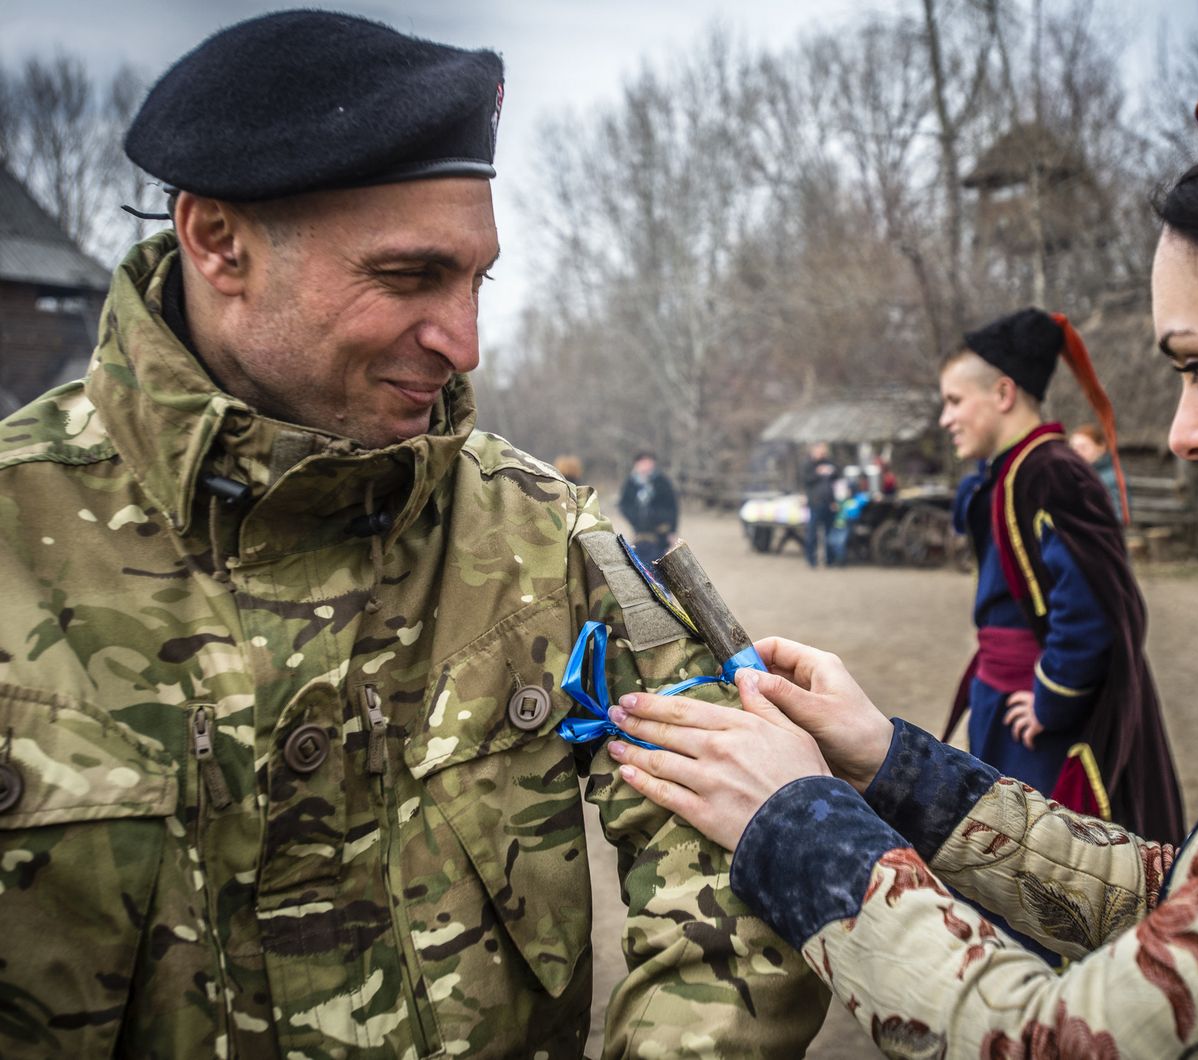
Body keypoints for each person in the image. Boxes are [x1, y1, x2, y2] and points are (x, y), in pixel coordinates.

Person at [602, 30, 1198, 1054]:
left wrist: (798, 820)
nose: (1182, 430)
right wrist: (889, 762)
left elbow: (1072, 1037)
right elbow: (1191, 905)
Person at [0, 12, 824, 1058]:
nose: (463, 342)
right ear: (218, 241)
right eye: (408, 277)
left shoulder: (539, 533)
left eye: (477, 280)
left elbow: (735, 849)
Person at [939, 309, 1182, 842]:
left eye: (955, 401)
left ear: (1003, 394)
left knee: (1047, 862)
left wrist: (1053, 697)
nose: (945, 418)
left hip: (1040, 719)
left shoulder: (1053, 474)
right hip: (999, 698)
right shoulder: (1009, 471)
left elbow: (1093, 607)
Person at [616, 449, 679, 565]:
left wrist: (672, 530)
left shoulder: (662, 482)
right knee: (641, 566)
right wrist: (635, 518)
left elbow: (672, 507)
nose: (645, 465)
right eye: (642, 462)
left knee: (659, 565)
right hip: (640, 533)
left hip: (660, 533)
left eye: (648, 462)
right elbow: (623, 505)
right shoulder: (631, 483)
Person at [1069, 422, 1124, 520]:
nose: (1077, 453)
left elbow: (1118, 516)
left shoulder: (1113, 479)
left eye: (1083, 447)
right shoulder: (1075, 474)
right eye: (1074, 449)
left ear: (1101, 447)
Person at [802, 441, 839, 567]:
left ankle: (830, 560)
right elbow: (806, 480)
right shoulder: (808, 464)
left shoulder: (828, 463)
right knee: (813, 533)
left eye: (824, 451)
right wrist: (818, 472)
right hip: (815, 503)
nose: (822, 454)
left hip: (829, 502)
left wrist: (830, 470)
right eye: (820, 451)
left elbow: (837, 476)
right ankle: (811, 559)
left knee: (829, 533)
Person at [828, 475, 872, 566]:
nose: (847, 492)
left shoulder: (857, 499)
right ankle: (838, 559)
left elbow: (865, 499)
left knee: (840, 542)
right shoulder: (843, 500)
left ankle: (841, 561)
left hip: (846, 523)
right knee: (833, 541)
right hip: (839, 524)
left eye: (848, 490)